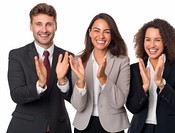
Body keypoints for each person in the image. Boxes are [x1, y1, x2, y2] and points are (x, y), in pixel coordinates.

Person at [7, 3, 73, 133]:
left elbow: (74, 98)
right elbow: (16, 95)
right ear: (31, 26)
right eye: (39, 24)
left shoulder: (67, 57)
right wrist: (40, 85)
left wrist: (62, 81)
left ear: (55, 26)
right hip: (25, 127)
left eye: (49, 24)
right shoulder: (17, 55)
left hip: (59, 128)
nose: (44, 30)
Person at [126, 18, 175, 133]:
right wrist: (145, 86)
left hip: (170, 129)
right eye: (147, 40)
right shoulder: (135, 69)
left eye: (157, 40)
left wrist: (161, 84)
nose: (152, 45)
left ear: (166, 42)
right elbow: (132, 108)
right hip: (140, 129)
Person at [68, 13, 130, 133]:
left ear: (112, 35)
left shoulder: (122, 62)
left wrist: (103, 79)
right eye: (97, 30)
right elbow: (78, 106)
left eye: (106, 32)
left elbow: (119, 102)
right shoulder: (78, 61)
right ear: (90, 32)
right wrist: (80, 82)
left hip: (113, 127)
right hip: (83, 126)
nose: (101, 36)